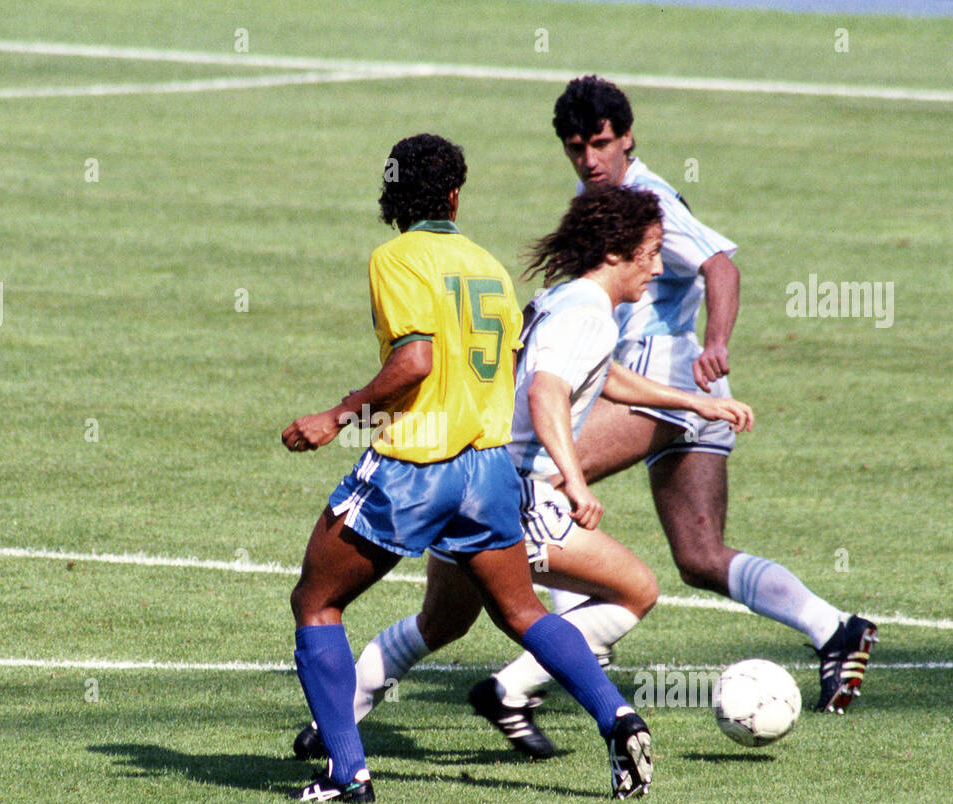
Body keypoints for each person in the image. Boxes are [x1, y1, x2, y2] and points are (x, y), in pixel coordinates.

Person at [293, 184, 754, 761]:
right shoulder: (587, 313)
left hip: (466, 468)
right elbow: (546, 392)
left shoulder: (567, 301)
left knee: (443, 622)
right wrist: (576, 480)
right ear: (616, 251)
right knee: (633, 589)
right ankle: (516, 691)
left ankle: (332, 726)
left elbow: (600, 375)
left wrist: (695, 403)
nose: (658, 267)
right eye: (652, 251)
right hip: (512, 488)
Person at [283, 134, 653, 803]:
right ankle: (618, 717)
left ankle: (346, 774)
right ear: (454, 195)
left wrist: (339, 414)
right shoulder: (486, 265)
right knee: (520, 609)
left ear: (392, 195)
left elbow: (415, 361)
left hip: (417, 463)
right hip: (488, 469)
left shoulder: (395, 257)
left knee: (317, 600)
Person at [536, 75, 876, 723]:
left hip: (664, 383)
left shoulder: (646, 197)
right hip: (692, 395)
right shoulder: (598, 194)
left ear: (628, 137)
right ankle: (836, 628)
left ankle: (575, 642)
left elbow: (721, 265)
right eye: (577, 148)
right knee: (698, 556)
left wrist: (716, 340)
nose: (590, 160)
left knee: (540, 479)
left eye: (601, 144)